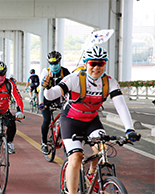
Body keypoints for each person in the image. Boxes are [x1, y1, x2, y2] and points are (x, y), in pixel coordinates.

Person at [43, 46, 141, 194]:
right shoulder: (75, 78)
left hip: (91, 120)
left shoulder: (109, 82)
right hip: (70, 120)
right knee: (76, 157)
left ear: (105, 64)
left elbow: (120, 106)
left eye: (100, 64)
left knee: (102, 149)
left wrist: (129, 129)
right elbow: (51, 95)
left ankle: (92, 173)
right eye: (92, 63)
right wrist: (46, 87)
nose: (96, 67)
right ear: (85, 63)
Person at [38, 51, 70, 154]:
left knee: (66, 117)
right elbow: (42, 89)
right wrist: (41, 103)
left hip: (58, 97)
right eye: (51, 64)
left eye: (56, 63)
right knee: (46, 120)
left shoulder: (65, 72)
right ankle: (44, 143)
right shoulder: (45, 72)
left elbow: (70, 88)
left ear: (60, 62)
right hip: (46, 98)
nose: (53, 65)